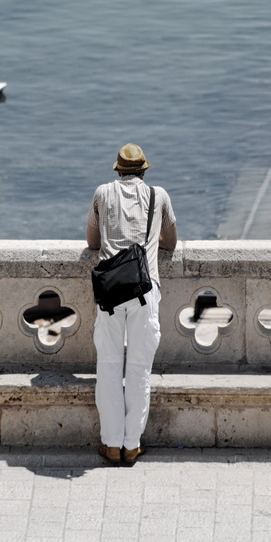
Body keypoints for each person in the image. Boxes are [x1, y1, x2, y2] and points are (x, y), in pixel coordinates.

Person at [86, 143, 177, 465]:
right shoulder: (158, 196)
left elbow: (92, 242)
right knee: (139, 370)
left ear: (118, 169)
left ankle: (111, 445)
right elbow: (171, 242)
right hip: (144, 288)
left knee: (109, 367)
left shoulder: (102, 193)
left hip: (110, 292)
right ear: (144, 170)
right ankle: (131, 445)